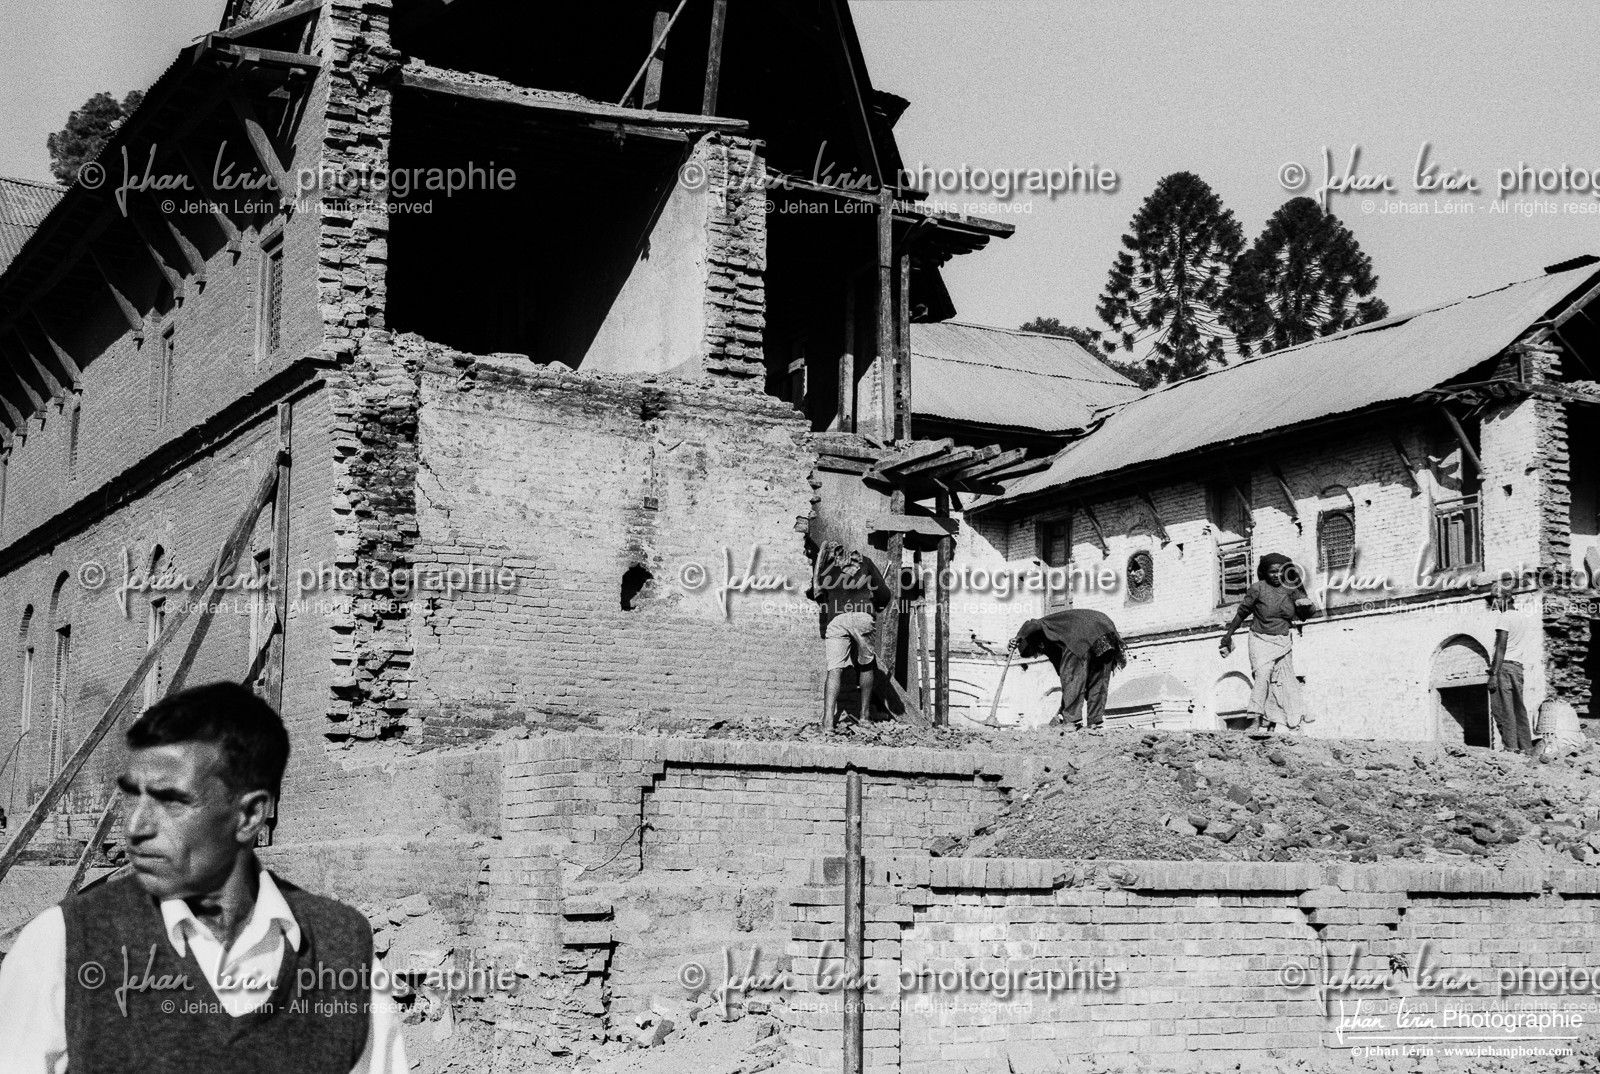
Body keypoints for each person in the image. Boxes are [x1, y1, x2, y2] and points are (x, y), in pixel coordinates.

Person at [0, 682, 408, 1074]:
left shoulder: (342, 951)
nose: (137, 826)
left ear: (249, 816)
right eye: (132, 796)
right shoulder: (64, 945)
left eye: (171, 801)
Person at [1219, 553, 1316, 732]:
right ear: (1264, 572)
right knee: (1263, 677)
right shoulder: (1258, 589)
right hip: (1259, 638)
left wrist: (1306, 606)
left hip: (1283, 640)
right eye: (1272, 572)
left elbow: (1305, 615)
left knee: (1281, 681)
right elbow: (1242, 613)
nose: (1277, 575)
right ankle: (1255, 721)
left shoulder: (1291, 589)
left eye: (1280, 572)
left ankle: (1271, 724)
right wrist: (1228, 636)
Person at [811, 541, 890, 732]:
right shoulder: (865, 563)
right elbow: (884, 594)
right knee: (866, 665)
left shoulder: (825, 569)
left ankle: (828, 722)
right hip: (863, 616)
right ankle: (864, 718)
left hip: (836, 619)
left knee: (834, 669)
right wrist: (876, 606)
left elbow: (817, 594)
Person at [1008, 609, 1126, 729]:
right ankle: (1094, 722)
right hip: (1106, 630)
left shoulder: (1044, 626)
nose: (1036, 655)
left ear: (1034, 643)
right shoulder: (1055, 644)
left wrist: (1018, 637)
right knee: (1098, 681)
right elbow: (1067, 683)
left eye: (1033, 653)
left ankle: (1071, 721)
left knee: (1072, 678)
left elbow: (1031, 623)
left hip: (1079, 635)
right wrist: (1063, 708)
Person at [1489, 580, 1536, 755]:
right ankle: (1526, 747)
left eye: (1496, 598)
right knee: (1518, 709)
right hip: (1518, 668)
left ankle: (1510, 748)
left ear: (1507, 598)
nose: (1494, 602)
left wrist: (1493, 674)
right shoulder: (1522, 618)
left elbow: (1501, 647)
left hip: (1504, 668)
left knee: (1502, 709)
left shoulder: (1504, 617)